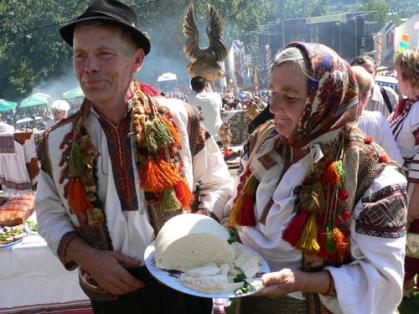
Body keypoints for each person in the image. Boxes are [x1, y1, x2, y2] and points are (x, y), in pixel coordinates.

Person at [35, 1, 234, 313]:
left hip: (184, 280)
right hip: (108, 287)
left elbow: (219, 183)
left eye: (104, 54)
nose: (90, 67)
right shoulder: (56, 141)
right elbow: (48, 213)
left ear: (137, 60)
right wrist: (88, 257)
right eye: (80, 55)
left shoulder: (181, 118)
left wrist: (195, 231)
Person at [227, 43, 407, 313]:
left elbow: (384, 284)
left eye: (290, 96)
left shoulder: (371, 173)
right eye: (273, 92)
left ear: (325, 98)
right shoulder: (264, 142)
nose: (273, 106)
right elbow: (236, 204)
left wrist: (307, 282)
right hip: (251, 300)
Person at [388, 48, 419, 296]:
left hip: (414, 185)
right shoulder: (407, 104)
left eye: (399, 72)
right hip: (404, 180)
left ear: (411, 75)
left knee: (412, 238)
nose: (395, 75)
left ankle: (407, 284)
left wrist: (414, 199)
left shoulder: (417, 109)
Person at [351, 65, 403, 165]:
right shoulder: (377, 121)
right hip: (371, 179)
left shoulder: (328, 120)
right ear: (367, 95)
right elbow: (396, 161)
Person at [188, 76, 223, 141]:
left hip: (201, 139)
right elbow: (220, 108)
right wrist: (211, 84)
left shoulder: (190, 99)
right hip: (218, 136)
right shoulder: (216, 97)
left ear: (192, 88)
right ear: (205, 85)